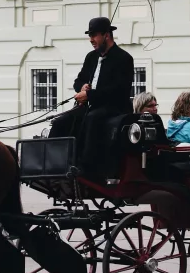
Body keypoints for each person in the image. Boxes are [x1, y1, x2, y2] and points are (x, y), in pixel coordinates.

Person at [49, 16, 134, 176]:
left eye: (94, 35)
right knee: (61, 121)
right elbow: (78, 80)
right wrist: (82, 87)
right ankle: (54, 162)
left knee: (92, 119)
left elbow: (118, 90)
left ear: (106, 35)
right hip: (90, 105)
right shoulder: (91, 57)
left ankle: (86, 166)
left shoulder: (124, 59)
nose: (91, 39)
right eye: (90, 36)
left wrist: (89, 95)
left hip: (113, 107)